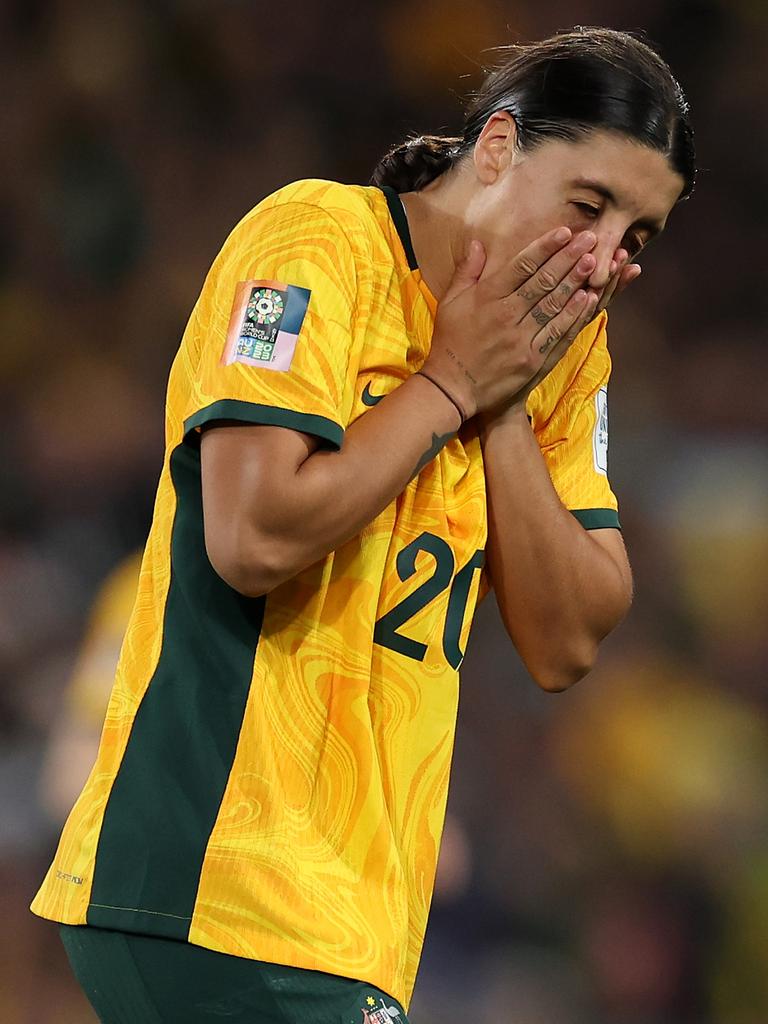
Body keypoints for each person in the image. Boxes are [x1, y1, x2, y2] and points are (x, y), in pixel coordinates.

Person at [31, 26, 695, 1024]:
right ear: (500, 146)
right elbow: (251, 539)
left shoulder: (560, 356)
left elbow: (569, 638)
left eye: (635, 238)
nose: (601, 258)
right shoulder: (317, 244)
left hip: (355, 921)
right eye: (588, 205)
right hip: (213, 879)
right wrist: (450, 381)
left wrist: (503, 403)